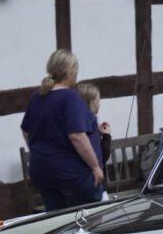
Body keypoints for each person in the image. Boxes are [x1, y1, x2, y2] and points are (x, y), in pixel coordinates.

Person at [20, 49, 104, 210]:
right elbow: (77, 136)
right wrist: (95, 167)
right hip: (71, 174)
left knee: (57, 220)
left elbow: (26, 132)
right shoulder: (70, 97)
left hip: (42, 172)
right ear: (70, 71)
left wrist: (42, 152)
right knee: (86, 219)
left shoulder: (37, 97)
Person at [75, 81, 112, 199]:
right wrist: (106, 136)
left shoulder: (75, 122)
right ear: (90, 103)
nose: (99, 104)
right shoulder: (90, 123)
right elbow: (102, 155)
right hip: (92, 180)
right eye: (97, 101)